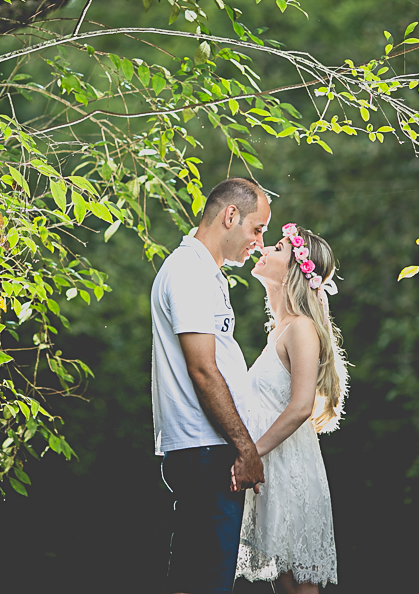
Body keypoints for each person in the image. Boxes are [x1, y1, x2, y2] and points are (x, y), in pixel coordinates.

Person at [152, 177, 273, 594]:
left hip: (207, 447)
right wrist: (246, 448)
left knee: (195, 576)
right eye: (257, 229)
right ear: (230, 215)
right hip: (206, 449)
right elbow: (202, 370)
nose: (259, 242)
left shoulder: (206, 272)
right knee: (208, 580)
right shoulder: (189, 272)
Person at [236, 223, 347, 592]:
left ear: (294, 270)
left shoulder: (300, 328)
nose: (265, 248)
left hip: (289, 465)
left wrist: (251, 452)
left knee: (301, 587)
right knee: (286, 584)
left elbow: (300, 406)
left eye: (279, 247)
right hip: (275, 467)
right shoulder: (279, 329)